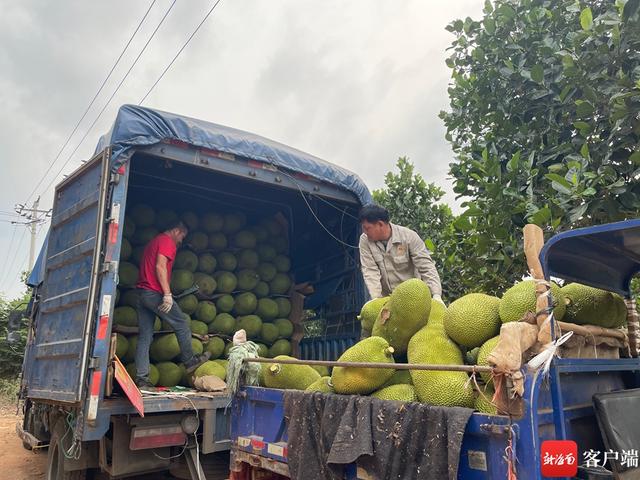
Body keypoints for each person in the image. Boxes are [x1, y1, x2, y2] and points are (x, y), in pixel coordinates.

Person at [134, 220, 209, 389]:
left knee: (145, 337)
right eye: (183, 236)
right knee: (182, 323)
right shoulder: (167, 242)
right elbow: (160, 267)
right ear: (177, 230)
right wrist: (167, 294)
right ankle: (190, 361)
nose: (182, 240)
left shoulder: (153, 242)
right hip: (155, 294)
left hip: (141, 294)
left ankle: (142, 379)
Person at [358, 203, 443, 304]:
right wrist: (376, 299)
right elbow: (370, 270)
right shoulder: (365, 240)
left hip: (414, 298)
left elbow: (426, 266)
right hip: (388, 300)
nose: (365, 232)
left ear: (380, 224)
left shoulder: (408, 236)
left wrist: (436, 294)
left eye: (367, 228)